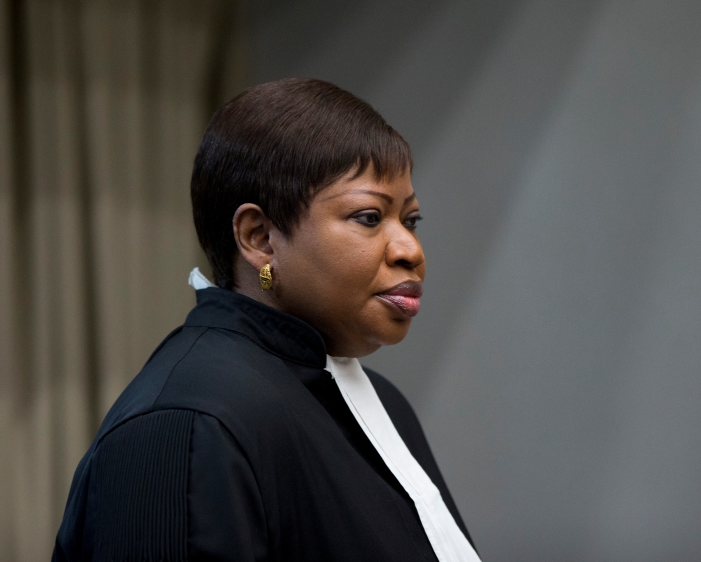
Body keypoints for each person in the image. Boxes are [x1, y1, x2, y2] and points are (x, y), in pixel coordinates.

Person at [53, 78, 481, 561]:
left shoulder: (382, 403)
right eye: (368, 217)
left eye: (410, 220)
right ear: (259, 238)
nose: (410, 250)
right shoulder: (186, 423)